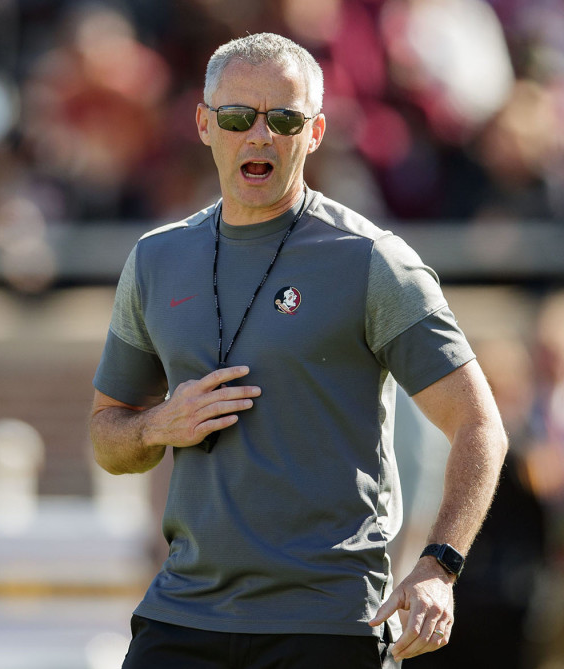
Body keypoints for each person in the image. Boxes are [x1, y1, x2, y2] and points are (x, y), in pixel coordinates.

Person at [89, 33, 506, 668]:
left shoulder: (372, 261)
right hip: (182, 615)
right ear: (205, 124)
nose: (259, 136)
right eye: (237, 117)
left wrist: (439, 567)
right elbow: (106, 437)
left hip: (328, 622)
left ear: (313, 133)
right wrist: (157, 425)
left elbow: (479, 426)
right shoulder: (155, 259)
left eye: (283, 118)